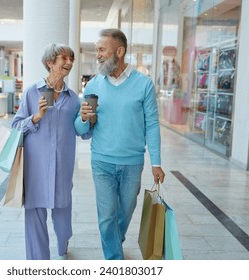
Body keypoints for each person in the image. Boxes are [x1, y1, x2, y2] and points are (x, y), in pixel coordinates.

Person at [74, 28, 166, 260]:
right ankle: (114, 261)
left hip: (132, 164)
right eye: (97, 50)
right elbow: (80, 128)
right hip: (102, 161)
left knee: (125, 213)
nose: (98, 55)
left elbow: (152, 125)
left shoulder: (143, 84)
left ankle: (115, 240)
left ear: (120, 51)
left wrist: (156, 163)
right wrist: (84, 118)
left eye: (102, 49)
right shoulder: (94, 85)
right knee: (106, 216)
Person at [11, 43, 82, 260]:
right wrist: (35, 117)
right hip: (36, 167)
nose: (69, 62)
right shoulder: (32, 93)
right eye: (63, 58)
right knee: (34, 216)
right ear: (50, 63)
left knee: (62, 214)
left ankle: (64, 240)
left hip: (62, 166)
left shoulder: (73, 99)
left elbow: (83, 132)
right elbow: (15, 126)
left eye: (71, 58)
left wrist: (87, 120)